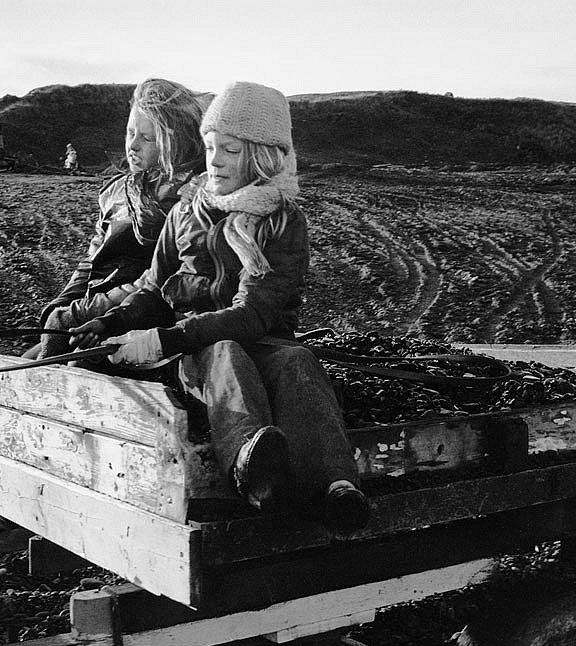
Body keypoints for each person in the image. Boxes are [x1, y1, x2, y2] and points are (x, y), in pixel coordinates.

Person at [66, 81, 370, 535]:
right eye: (211, 148)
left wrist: (162, 338)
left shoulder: (282, 221)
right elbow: (153, 288)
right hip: (197, 352)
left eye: (230, 150)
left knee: (298, 361)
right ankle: (252, 466)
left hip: (261, 341)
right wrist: (113, 321)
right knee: (225, 351)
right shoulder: (186, 213)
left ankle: (337, 487)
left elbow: (254, 313)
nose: (215, 160)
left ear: (263, 157)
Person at [31, 78, 205, 359]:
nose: (133, 145)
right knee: (24, 360)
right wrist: (62, 303)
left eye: (147, 138)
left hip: (146, 309)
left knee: (60, 352)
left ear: (175, 141)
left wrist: (83, 314)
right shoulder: (115, 191)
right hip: (97, 305)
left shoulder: (190, 197)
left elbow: (162, 278)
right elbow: (92, 260)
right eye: (130, 133)